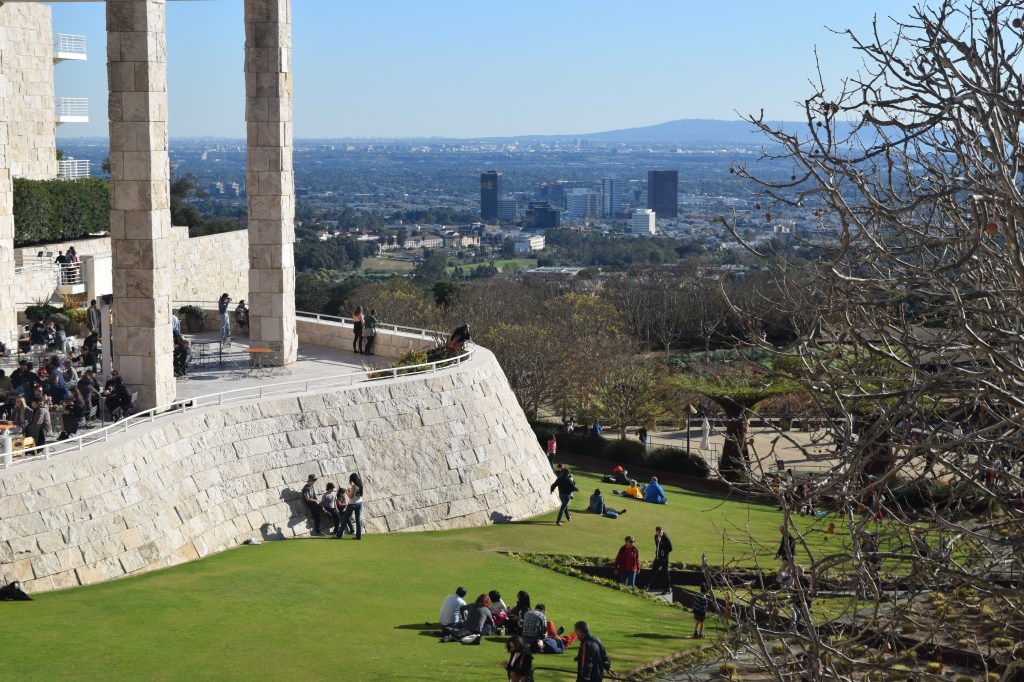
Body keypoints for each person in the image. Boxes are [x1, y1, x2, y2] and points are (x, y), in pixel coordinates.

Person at [646, 526, 673, 593]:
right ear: (656, 532)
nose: (660, 533)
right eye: (658, 532)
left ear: (662, 531)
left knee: (665, 573)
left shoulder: (666, 538)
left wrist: (663, 553)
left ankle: (668, 588)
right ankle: (647, 586)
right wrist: (658, 552)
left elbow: (670, 548)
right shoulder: (655, 537)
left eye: (660, 532)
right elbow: (658, 546)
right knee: (653, 571)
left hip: (664, 559)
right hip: (658, 557)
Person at [336, 472, 364, 539]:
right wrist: (351, 491)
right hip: (359, 503)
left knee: (345, 518)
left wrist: (346, 492)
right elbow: (361, 495)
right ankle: (358, 536)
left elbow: (350, 497)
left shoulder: (354, 486)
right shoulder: (361, 485)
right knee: (358, 520)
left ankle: (339, 535)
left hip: (352, 504)